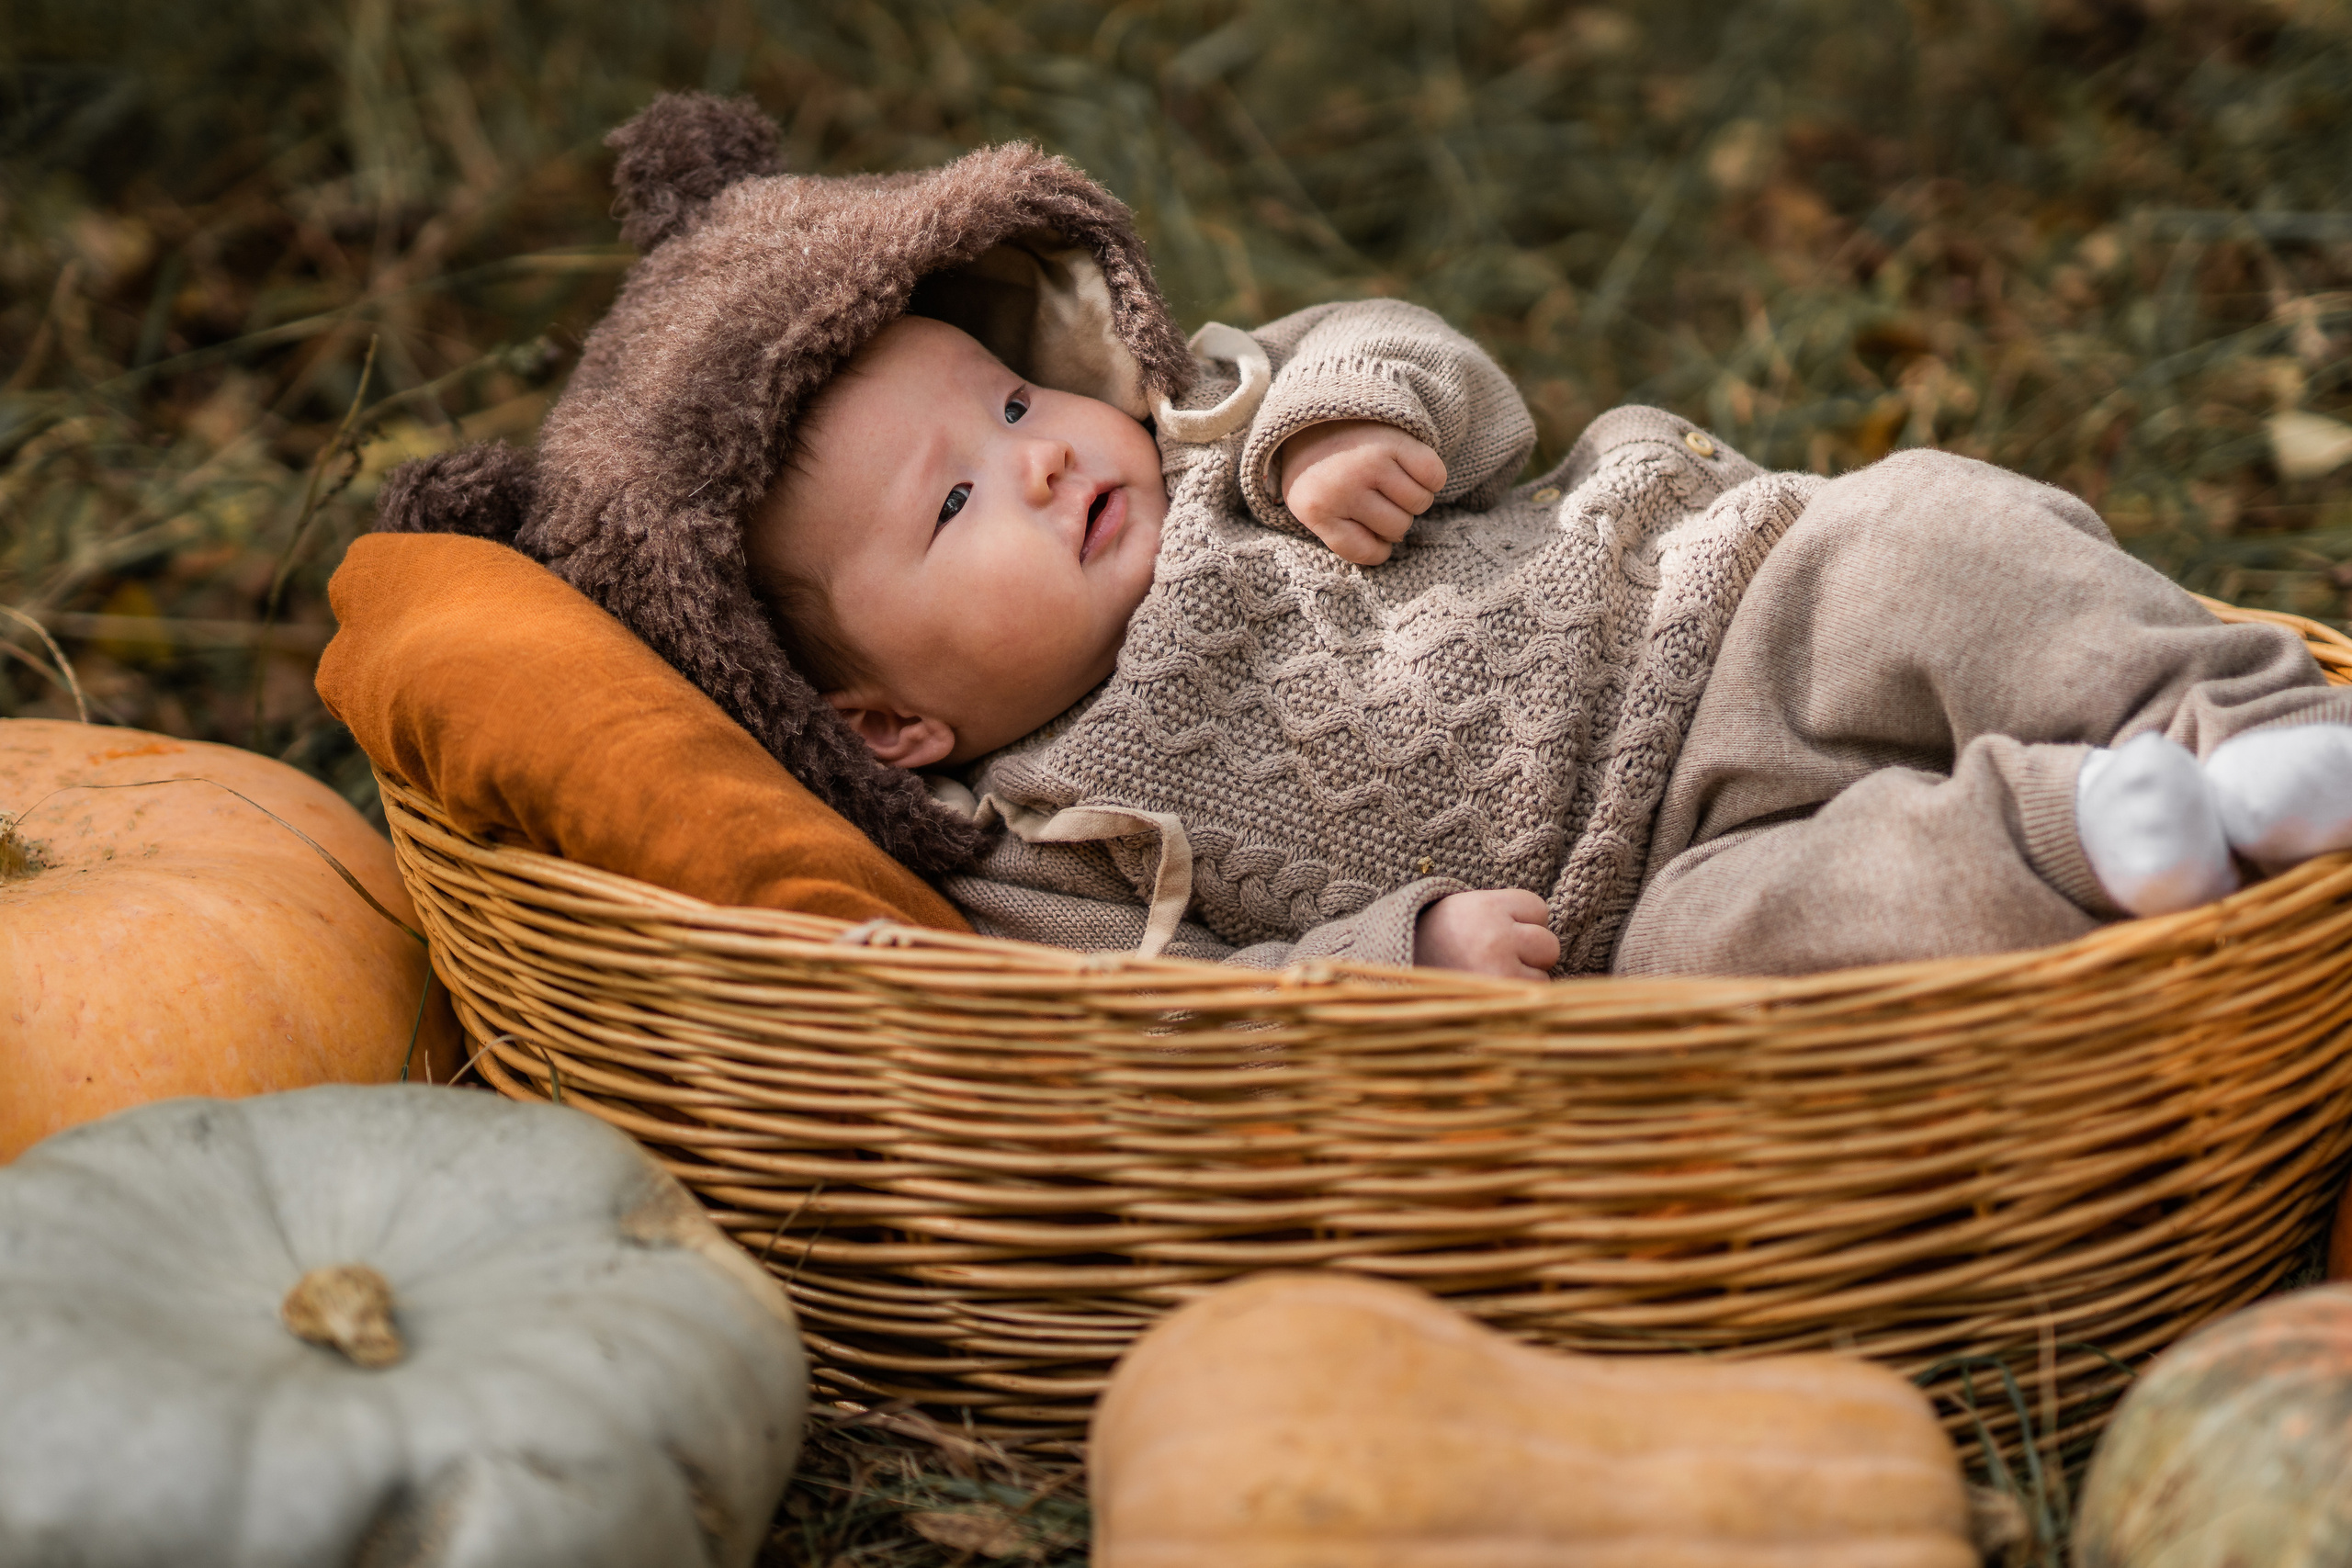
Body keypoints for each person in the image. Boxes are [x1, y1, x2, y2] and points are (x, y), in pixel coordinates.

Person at [380, 92, 2352, 980]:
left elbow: (1427, 359)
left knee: (1929, 529)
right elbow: (1186, 1017)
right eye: (958, 499)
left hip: (1713, 610)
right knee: (1773, 946)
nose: (1046, 456)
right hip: (1633, 893)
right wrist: (1386, 943)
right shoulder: (1034, 846)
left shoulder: (1214, 429)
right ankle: (2086, 831)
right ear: (882, 723)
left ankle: (2222, 712)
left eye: (1005, 403)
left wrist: (1345, 419)